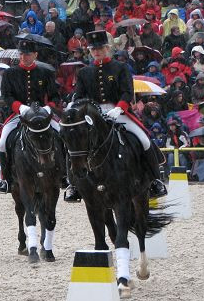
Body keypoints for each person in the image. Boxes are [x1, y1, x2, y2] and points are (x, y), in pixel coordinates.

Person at [65, 30, 168, 202]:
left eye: (99, 48)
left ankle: (154, 180)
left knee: (143, 138)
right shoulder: (84, 72)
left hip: (117, 111)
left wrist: (119, 109)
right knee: (74, 142)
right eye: (93, 49)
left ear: (107, 48)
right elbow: (80, 95)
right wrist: (73, 104)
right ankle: (73, 184)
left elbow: (128, 92)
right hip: (92, 114)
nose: (96, 52)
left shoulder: (120, 68)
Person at [0, 37, 60, 194]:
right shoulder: (10, 74)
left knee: (61, 134)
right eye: (22, 54)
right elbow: (7, 97)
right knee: (2, 143)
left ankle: (65, 176)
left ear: (35, 55)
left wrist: (48, 108)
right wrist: (20, 107)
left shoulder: (46, 72)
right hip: (19, 114)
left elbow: (55, 96)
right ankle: (5, 179)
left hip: (41, 114)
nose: (24, 57)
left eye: (28, 54)